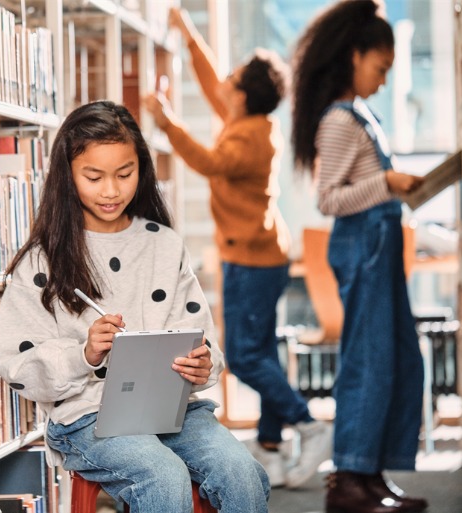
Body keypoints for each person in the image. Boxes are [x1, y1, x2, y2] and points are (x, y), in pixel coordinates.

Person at [0, 100, 269, 513]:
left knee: (240, 472)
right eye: (93, 176)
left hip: (175, 411)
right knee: (162, 475)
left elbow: (203, 340)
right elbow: (16, 364)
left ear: (141, 170)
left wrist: (202, 364)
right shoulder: (43, 259)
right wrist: (83, 353)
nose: (111, 190)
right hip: (88, 416)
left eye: (125, 174)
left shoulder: (163, 243)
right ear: (67, 176)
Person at [143, 7, 332, 490]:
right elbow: (211, 81)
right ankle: (271, 442)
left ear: (243, 95)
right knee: (263, 349)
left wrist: (166, 120)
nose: (223, 81)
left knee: (246, 358)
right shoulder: (245, 118)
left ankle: (308, 425)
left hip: (252, 257)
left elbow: (208, 162)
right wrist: (187, 33)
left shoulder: (251, 139)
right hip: (257, 253)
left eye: (233, 78)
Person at [290, 1, 428, 512]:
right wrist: (387, 183)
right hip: (364, 245)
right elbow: (329, 199)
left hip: (379, 245)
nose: (385, 81)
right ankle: (349, 478)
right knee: (370, 362)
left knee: (394, 359)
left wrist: (391, 188)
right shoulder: (339, 120)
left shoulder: (360, 115)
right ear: (354, 56)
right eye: (381, 68)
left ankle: (369, 474)